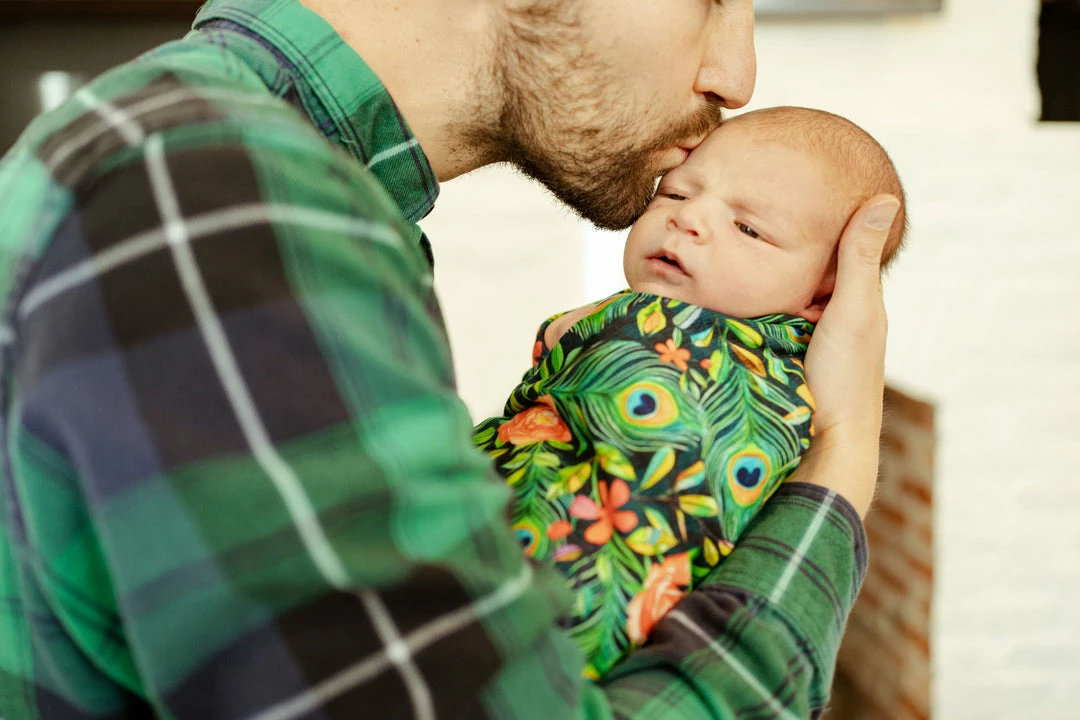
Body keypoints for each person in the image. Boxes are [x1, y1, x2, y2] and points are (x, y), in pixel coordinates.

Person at [0, 0, 900, 717]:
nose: (736, 73)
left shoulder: (246, 173)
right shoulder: (226, 204)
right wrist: (840, 463)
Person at [475, 106, 906, 678]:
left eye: (748, 228)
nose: (689, 220)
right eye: (675, 195)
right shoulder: (658, 319)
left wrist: (584, 332)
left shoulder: (761, 370)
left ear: (823, 299)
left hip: (550, 620)